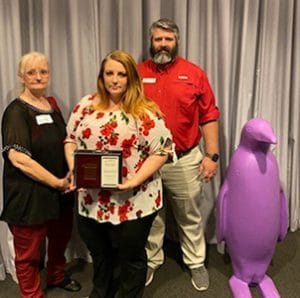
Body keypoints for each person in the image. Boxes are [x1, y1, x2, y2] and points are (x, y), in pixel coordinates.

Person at [64, 50, 172, 298]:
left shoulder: (145, 112)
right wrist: (74, 168)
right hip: (91, 198)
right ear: (102, 76)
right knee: (100, 253)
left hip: (134, 200)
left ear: (131, 77)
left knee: (131, 256)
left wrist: (133, 180)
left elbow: (163, 151)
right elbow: (70, 140)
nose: (115, 79)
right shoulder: (85, 105)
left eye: (121, 74)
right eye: (109, 73)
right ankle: (101, 291)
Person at [137, 18, 220, 291]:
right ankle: (151, 259)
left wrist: (212, 155)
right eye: (158, 39)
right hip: (146, 162)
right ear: (151, 42)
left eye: (168, 39)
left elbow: (209, 115)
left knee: (189, 215)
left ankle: (196, 262)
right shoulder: (136, 73)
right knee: (152, 216)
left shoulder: (194, 74)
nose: (163, 44)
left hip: (183, 159)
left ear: (176, 42)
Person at [1, 51, 81, 298]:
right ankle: (32, 294)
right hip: (29, 194)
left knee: (59, 240)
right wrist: (56, 181)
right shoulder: (16, 111)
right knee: (28, 254)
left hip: (59, 191)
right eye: (31, 72)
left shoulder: (51, 105)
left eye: (43, 71)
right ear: (21, 76)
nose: (38, 77)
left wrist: (70, 175)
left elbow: (67, 141)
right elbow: (19, 159)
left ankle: (56, 276)